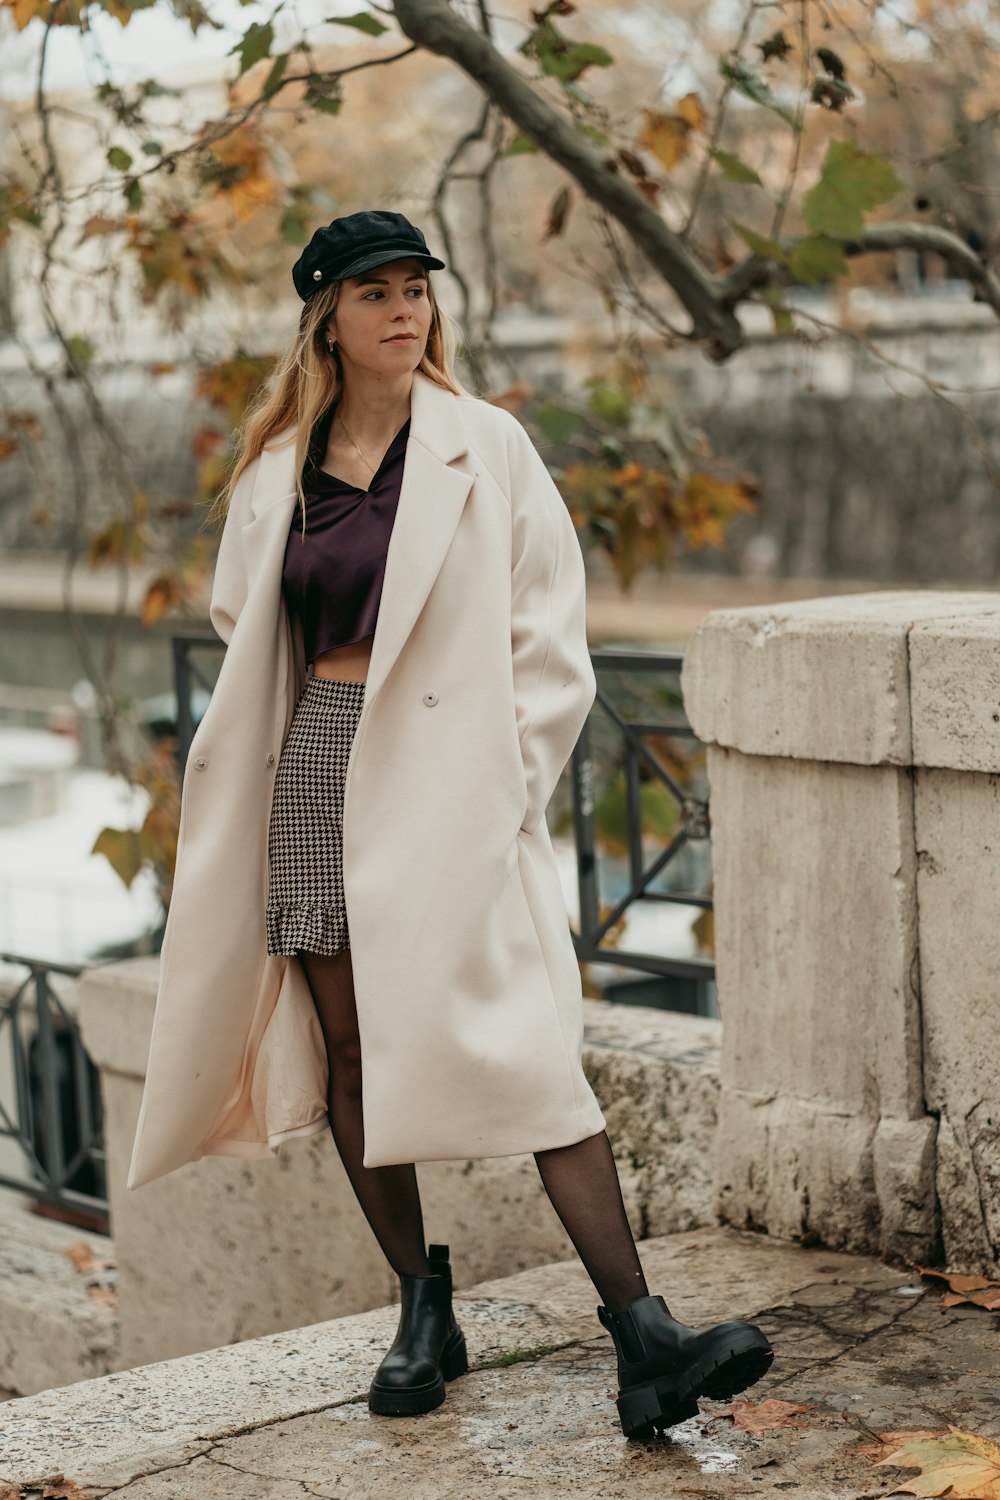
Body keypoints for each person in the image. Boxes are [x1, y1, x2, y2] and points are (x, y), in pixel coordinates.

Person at [140, 209, 774, 1441]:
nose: (404, 309)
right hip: (315, 767)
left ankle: (643, 1335)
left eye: (417, 288)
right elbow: (242, 625)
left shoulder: (486, 445)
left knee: (523, 1042)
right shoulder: (277, 468)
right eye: (374, 290)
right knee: (352, 1047)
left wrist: (504, 786)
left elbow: (552, 638)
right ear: (324, 312)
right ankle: (422, 1308)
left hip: (452, 780)